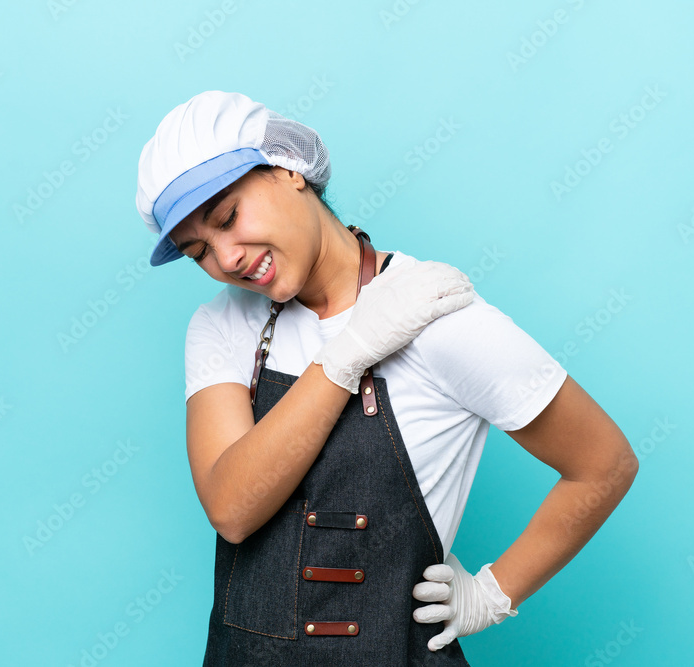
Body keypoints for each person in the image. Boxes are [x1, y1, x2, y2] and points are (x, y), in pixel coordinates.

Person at [135, 90, 639, 665]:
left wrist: (493, 593)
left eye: (228, 218)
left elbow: (605, 464)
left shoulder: (433, 313)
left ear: (289, 170)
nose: (226, 258)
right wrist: (345, 356)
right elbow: (232, 508)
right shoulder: (223, 325)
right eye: (199, 251)